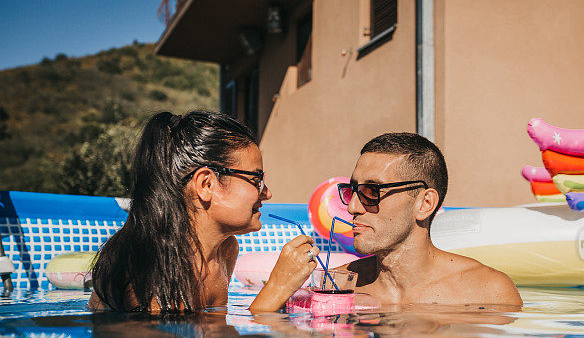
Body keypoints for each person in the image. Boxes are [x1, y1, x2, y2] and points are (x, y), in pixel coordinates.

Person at [90, 110, 318, 314]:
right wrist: (277, 288)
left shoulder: (225, 250)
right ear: (206, 184)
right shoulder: (148, 268)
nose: (267, 193)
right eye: (256, 179)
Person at [340, 133, 522, 307]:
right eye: (353, 190)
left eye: (372, 191)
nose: (352, 207)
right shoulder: (336, 284)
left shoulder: (487, 292)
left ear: (425, 204)